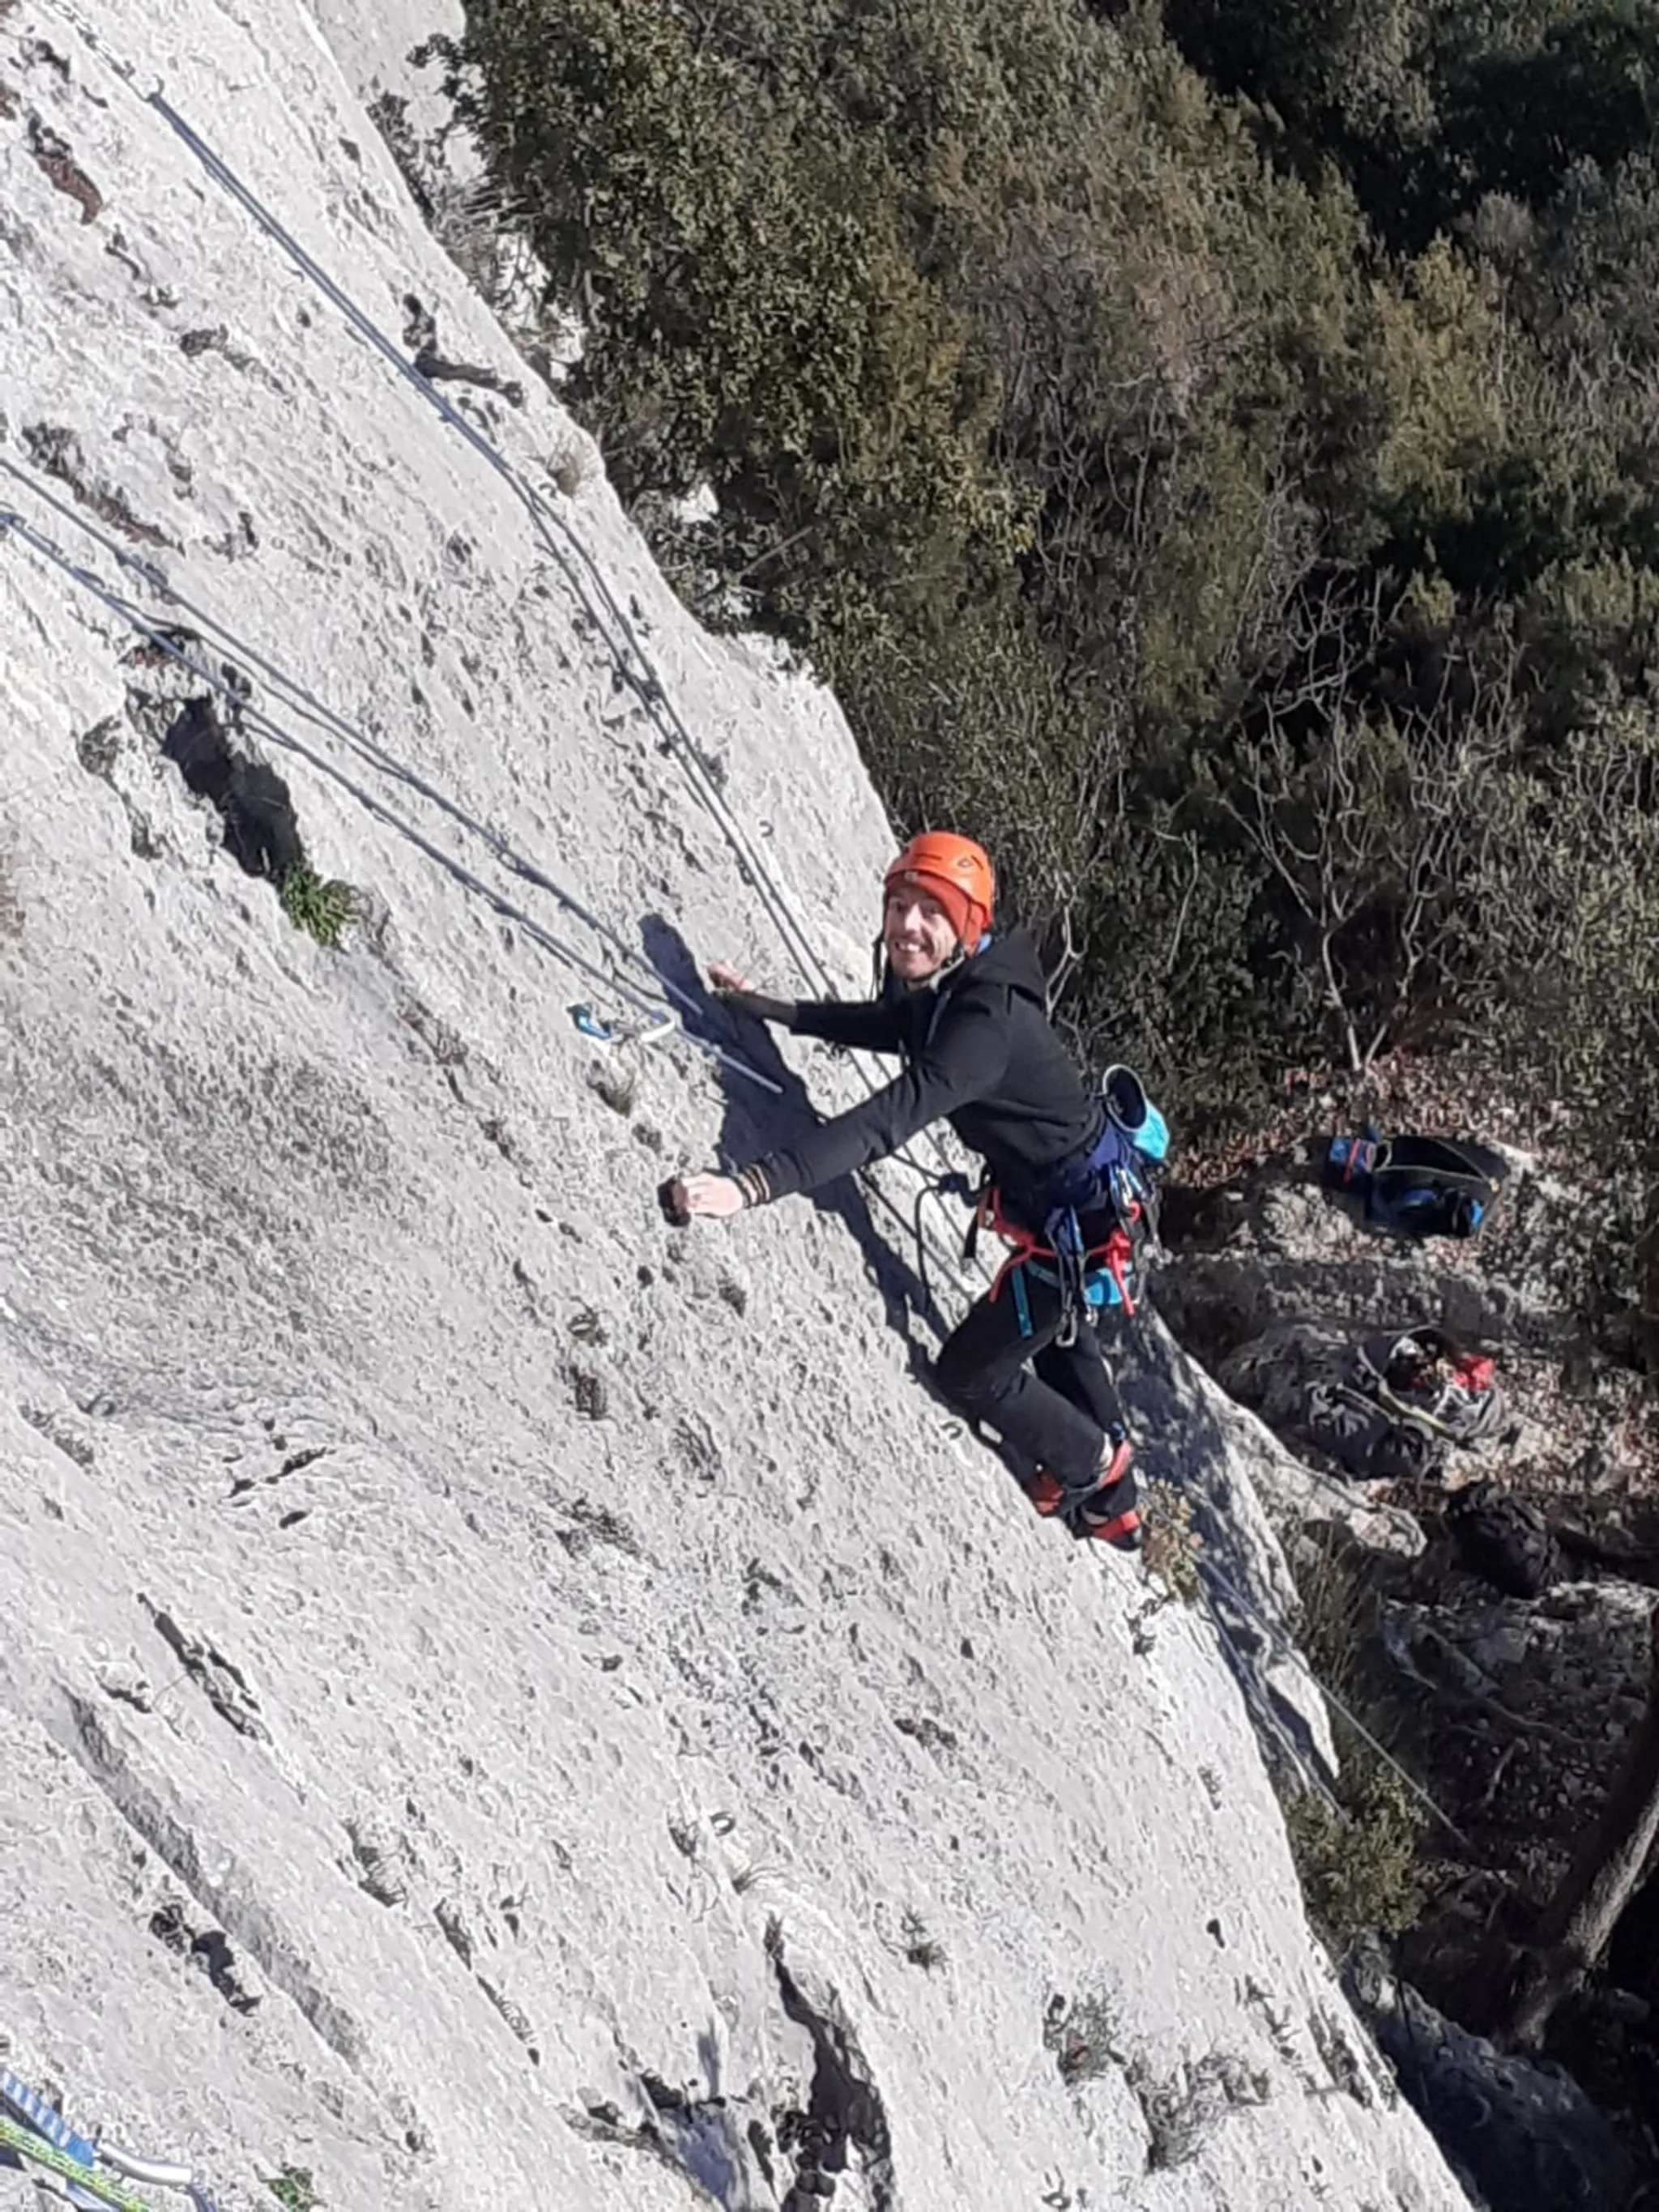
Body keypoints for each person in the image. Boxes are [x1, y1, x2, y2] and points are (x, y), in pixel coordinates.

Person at [661, 832, 1141, 1549]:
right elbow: (893, 1025)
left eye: (932, 912)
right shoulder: (956, 985)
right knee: (1048, 1332)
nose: (908, 925)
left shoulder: (985, 1024)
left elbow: (887, 1120)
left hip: (1077, 1233)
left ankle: (1098, 1473)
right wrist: (774, 1010)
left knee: (971, 1371)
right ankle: (1117, 1476)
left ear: (967, 927)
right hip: (1069, 1216)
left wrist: (754, 1183)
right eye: (900, 904)